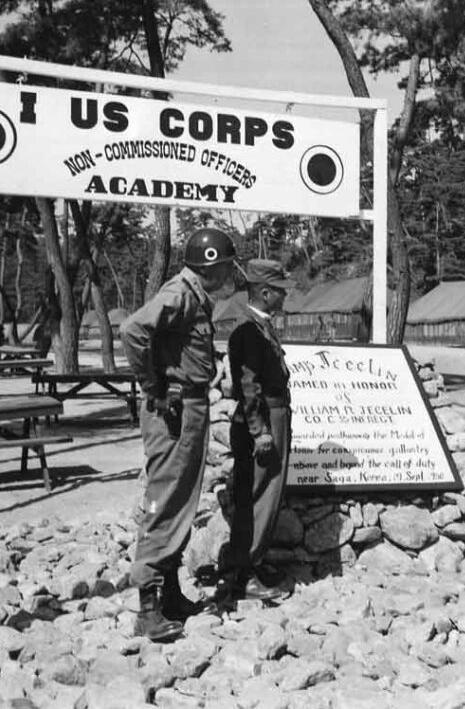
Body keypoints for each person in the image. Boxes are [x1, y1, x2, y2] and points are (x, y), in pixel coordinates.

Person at [121, 227, 236, 641]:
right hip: (174, 409)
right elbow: (133, 331)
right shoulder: (180, 293)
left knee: (183, 498)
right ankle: (148, 607)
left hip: (188, 405)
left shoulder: (193, 295)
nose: (228, 274)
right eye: (225, 266)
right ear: (212, 266)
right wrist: (153, 387)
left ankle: (169, 593)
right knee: (166, 498)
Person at [217, 259, 295, 606]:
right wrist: (260, 432)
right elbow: (248, 387)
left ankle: (253, 563)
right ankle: (244, 575)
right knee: (258, 498)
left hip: (271, 416)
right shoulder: (248, 330)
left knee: (265, 495)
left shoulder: (259, 325)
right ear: (265, 293)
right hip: (262, 420)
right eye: (280, 291)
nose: (284, 297)